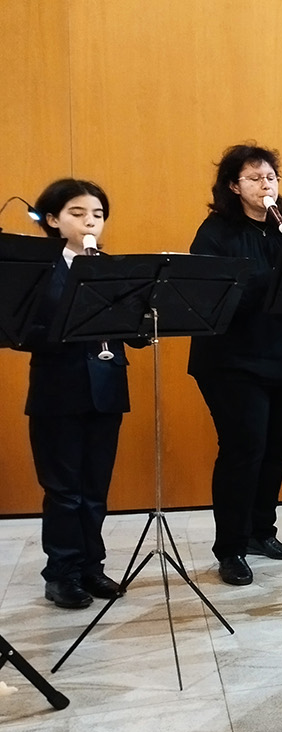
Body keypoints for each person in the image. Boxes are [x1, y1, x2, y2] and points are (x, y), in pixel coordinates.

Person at [189, 143, 282, 586]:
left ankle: (262, 531)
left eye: (271, 178)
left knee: (276, 449)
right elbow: (216, 296)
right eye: (255, 178)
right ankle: (231, 547)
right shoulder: (216, 233)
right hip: (234, 362)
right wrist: (276, 275)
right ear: (233, 186)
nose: (266, 185)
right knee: (243, 451)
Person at [24, 179, 130, 608]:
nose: (90, 222)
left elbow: (132, 330)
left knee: (95, 488)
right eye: (78, 213)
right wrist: (68, 323)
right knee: (65, 492)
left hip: (106, 389)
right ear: (53, 219)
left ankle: (91, 567)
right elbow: (22, 332)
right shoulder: (38, 270)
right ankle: (62, 573)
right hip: (58, 391)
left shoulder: (112, 267)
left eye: (98, 215)